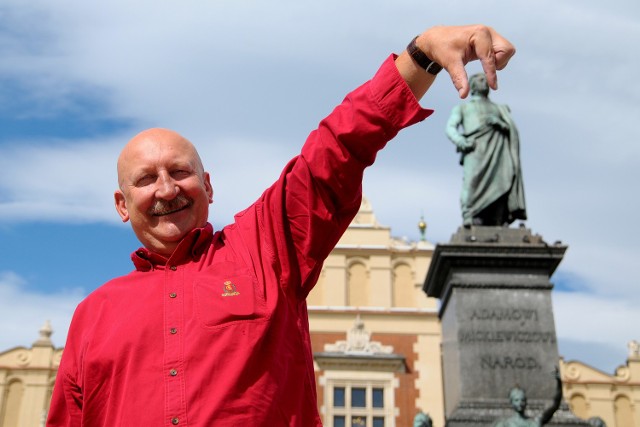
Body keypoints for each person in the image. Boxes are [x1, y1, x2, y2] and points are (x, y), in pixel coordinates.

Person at [47, 25, 515, 426]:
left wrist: (422, 52)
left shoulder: (263, 251)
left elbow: (334, 154)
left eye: (181, 172)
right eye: (146, 179)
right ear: (122, 205)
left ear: (209, 186)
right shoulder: (93, 315)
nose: (167, 189)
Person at [445, 72, 526, 226]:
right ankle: (469, 214)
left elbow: (511, 129)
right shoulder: (463, 108)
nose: (484, 82)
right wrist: (461, 141)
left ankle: (498, 218)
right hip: (475, 151)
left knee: (503, 181)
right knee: (471, 182)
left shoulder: (499, 109)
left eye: (485, 80)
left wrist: (499, 123)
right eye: (480, 79)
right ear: (473, 85)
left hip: (498, 151)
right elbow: (450, 128)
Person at [493, 368, 563, 427]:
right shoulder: (504, 424)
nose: (520, 403)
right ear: (511, 402)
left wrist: (559, 384)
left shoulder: (533, 423)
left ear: (526, 402)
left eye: (522, 400)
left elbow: (554, 405)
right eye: (516, 400)